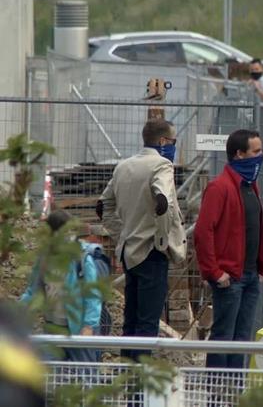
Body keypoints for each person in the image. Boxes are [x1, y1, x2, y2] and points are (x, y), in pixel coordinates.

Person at [97, 118, 186, 361]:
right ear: (163, 141)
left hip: (129, 250)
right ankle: (139, 390)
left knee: (131, 322)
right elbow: (163, 202)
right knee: (147, 325)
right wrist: (160, 240)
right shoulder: (162, 165)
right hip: (151, 253)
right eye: (174, 141)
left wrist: (121, 234)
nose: (174, 146)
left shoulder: (123, 166)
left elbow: (103, 206)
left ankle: (129, 387)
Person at [195, 129, 263, 369]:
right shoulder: (220, 188)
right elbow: (203, 232)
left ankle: (235, 392)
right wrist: (214, 272)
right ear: (239, 154)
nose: (261, 157)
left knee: (242, 338)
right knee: (224, 337)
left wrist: (257, 267)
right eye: (256, 152)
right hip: (230, 278)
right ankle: (218, 395)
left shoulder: (248, 186)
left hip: (247, 277)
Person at [20, 211, 103, 362]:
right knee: (49, 374)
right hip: (53, 328)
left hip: (80, 330)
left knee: (85, 375)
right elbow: (33, 291)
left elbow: (92, 295)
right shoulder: (44, 259)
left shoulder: (82, 259)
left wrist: (89, 326)